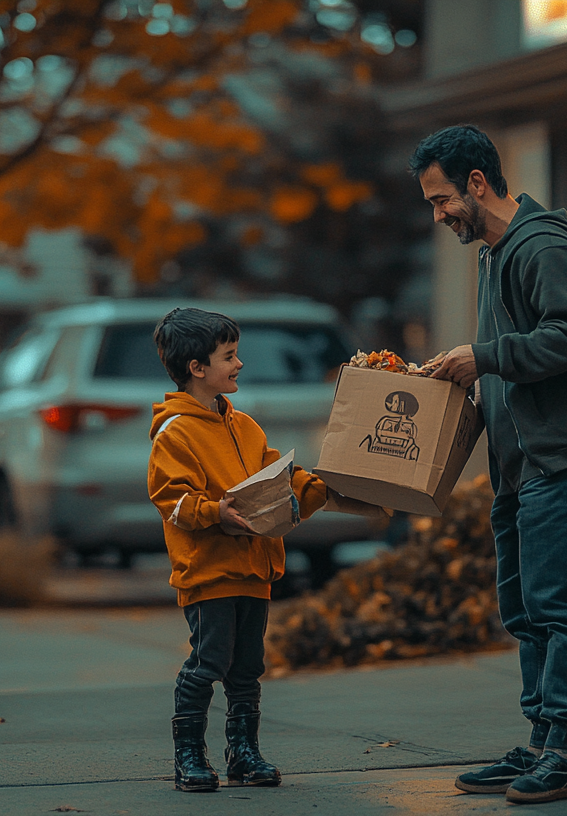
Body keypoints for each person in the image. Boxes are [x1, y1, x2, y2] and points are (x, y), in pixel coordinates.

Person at [413, 124, 567, 805]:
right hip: (520, 462)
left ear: (478, 183)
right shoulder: (494, 252)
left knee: (559, 605)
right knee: (525, 607)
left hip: (565, 457)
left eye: (442, 198)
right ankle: (541, 742)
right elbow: (514, 353)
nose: (439, 214)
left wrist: (483, 356)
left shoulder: (542, 245)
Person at [147, 306, 330, 793]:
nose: (239, 364)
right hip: (209, 572)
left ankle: (243, 754)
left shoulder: (246, 426)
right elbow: (173, 500)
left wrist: (321, 486)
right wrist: (215, 513)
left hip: (255, 567)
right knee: (208, 663)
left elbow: (279, 480)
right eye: (229, 356)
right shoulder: (175, 432)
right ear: (197, 368)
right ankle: (189, 754)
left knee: (247, 668)